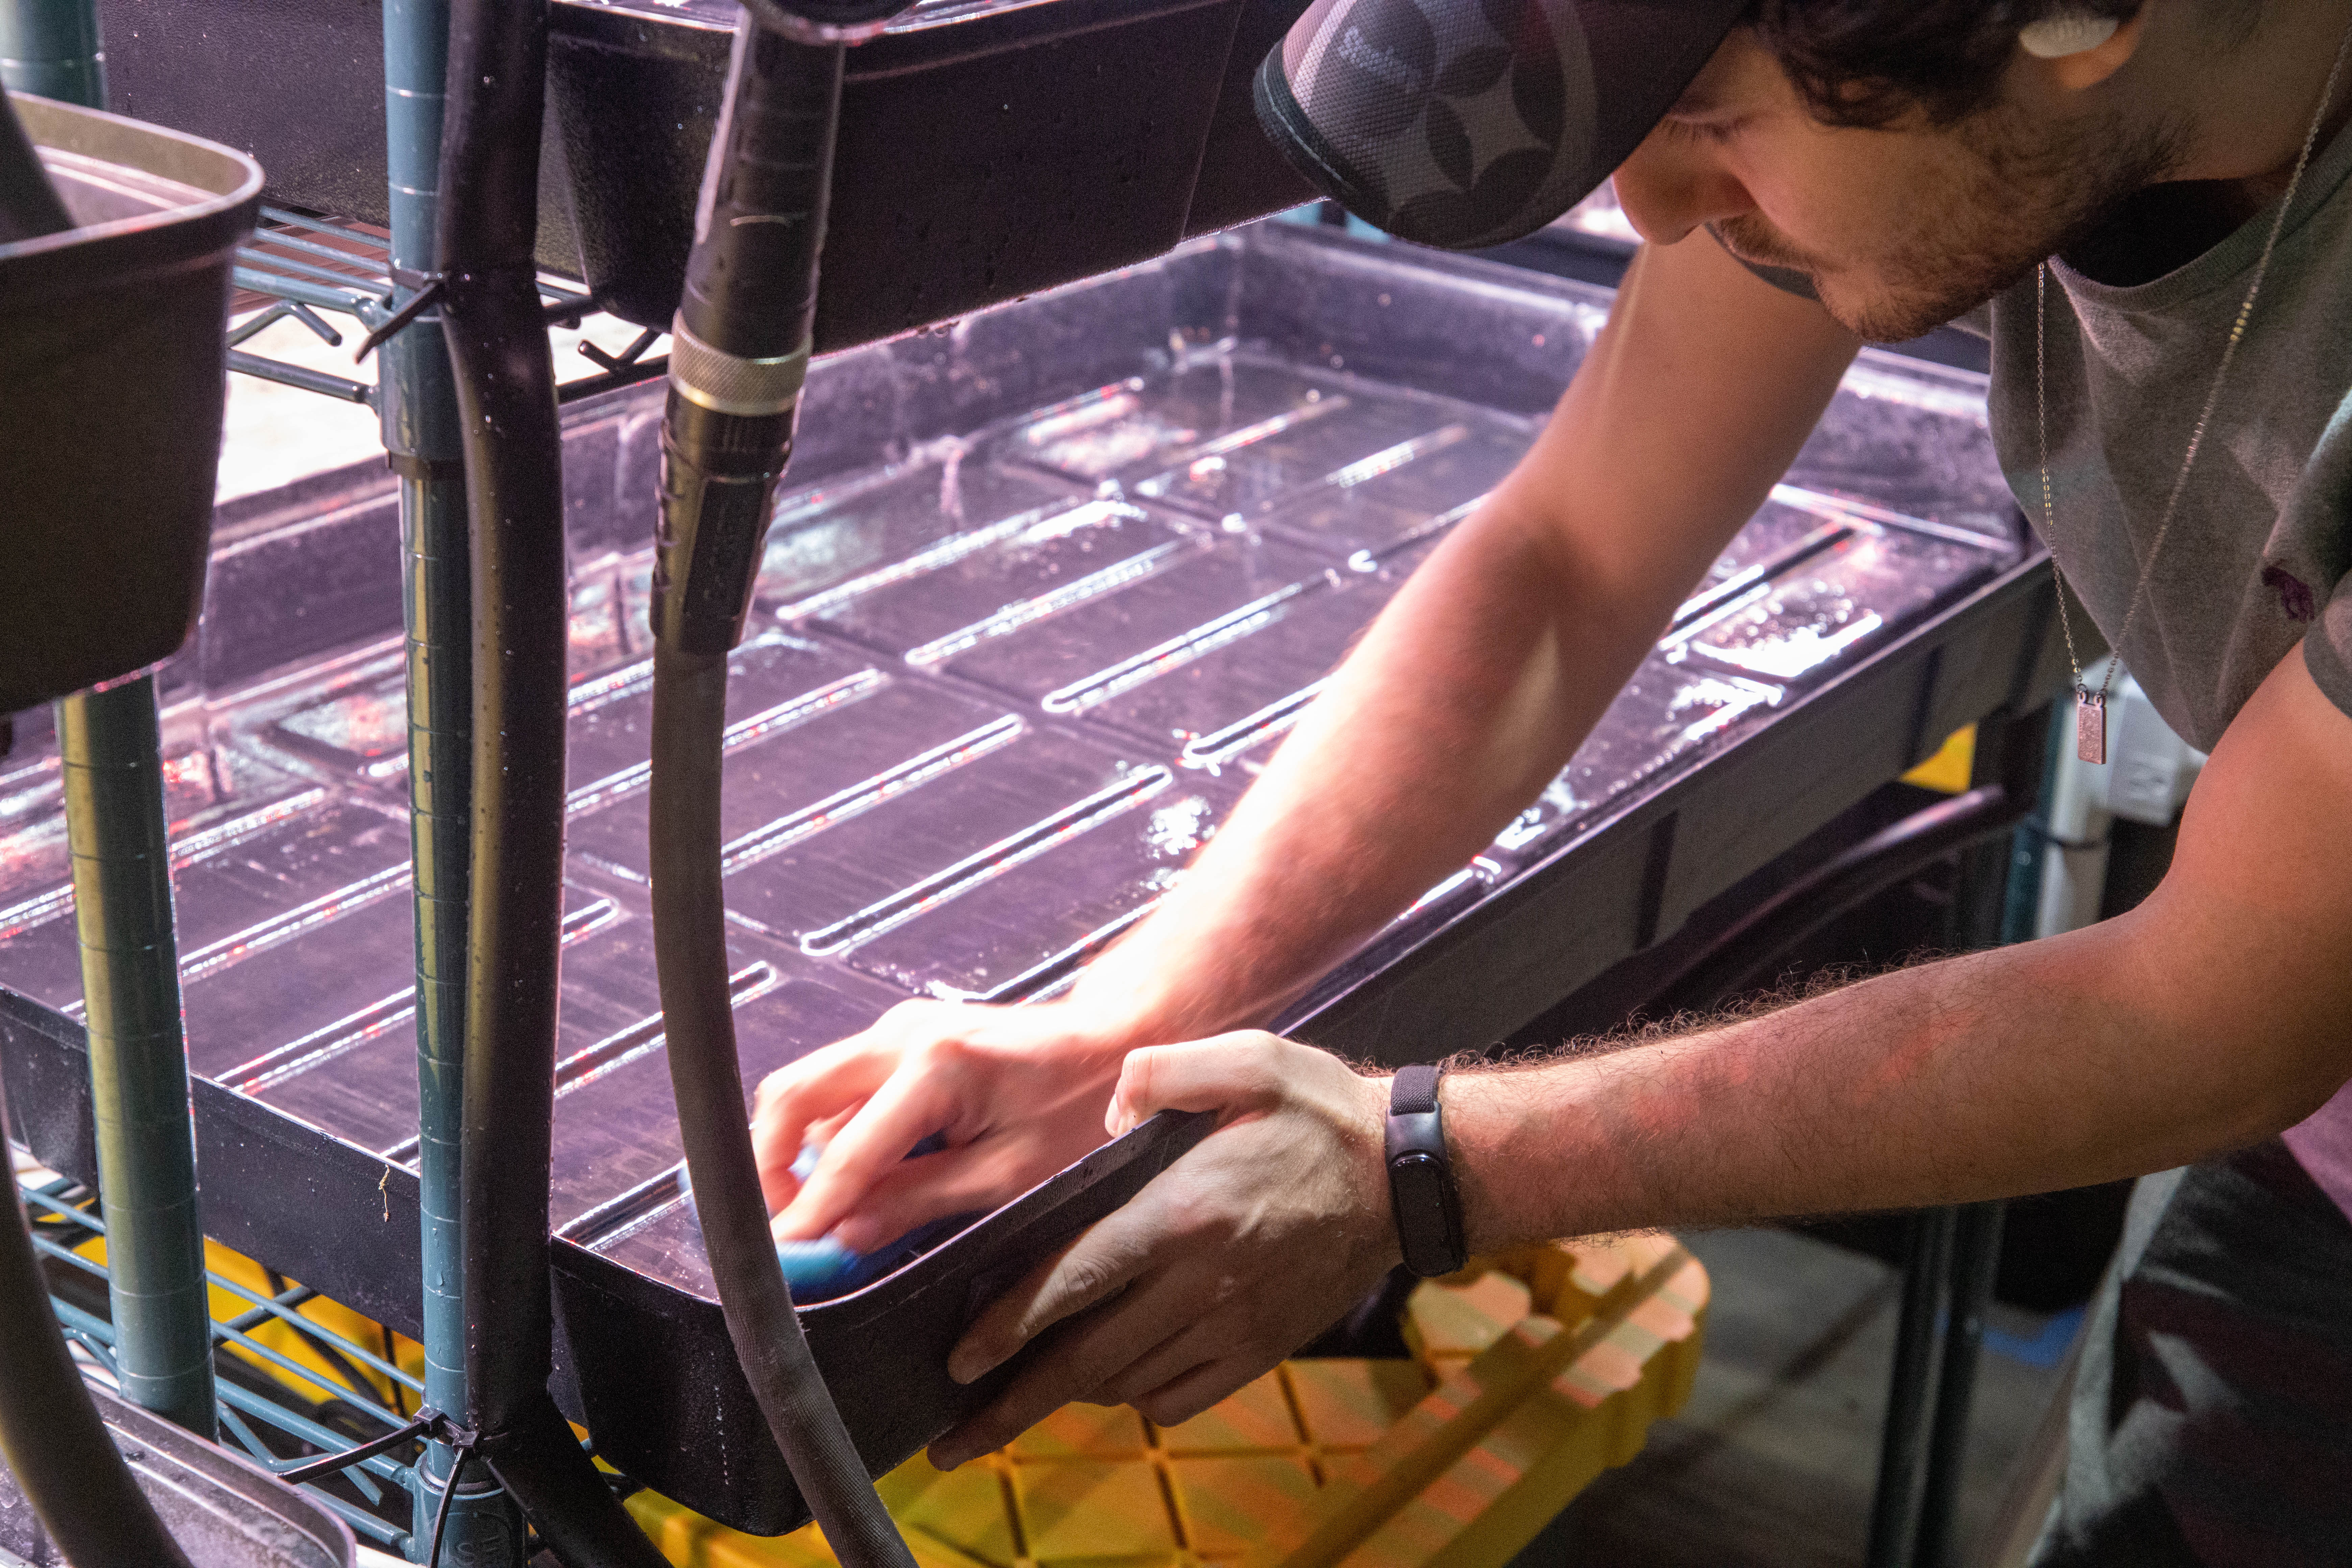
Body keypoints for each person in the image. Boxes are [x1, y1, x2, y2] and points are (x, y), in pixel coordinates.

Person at [752, 2, 2352, 1561]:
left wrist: (1415, 1165)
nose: (1648, 207)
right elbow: (1573, 550)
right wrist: (1123, 1019)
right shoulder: (1924, 77)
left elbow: (2205, 1005)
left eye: (1714, 124)